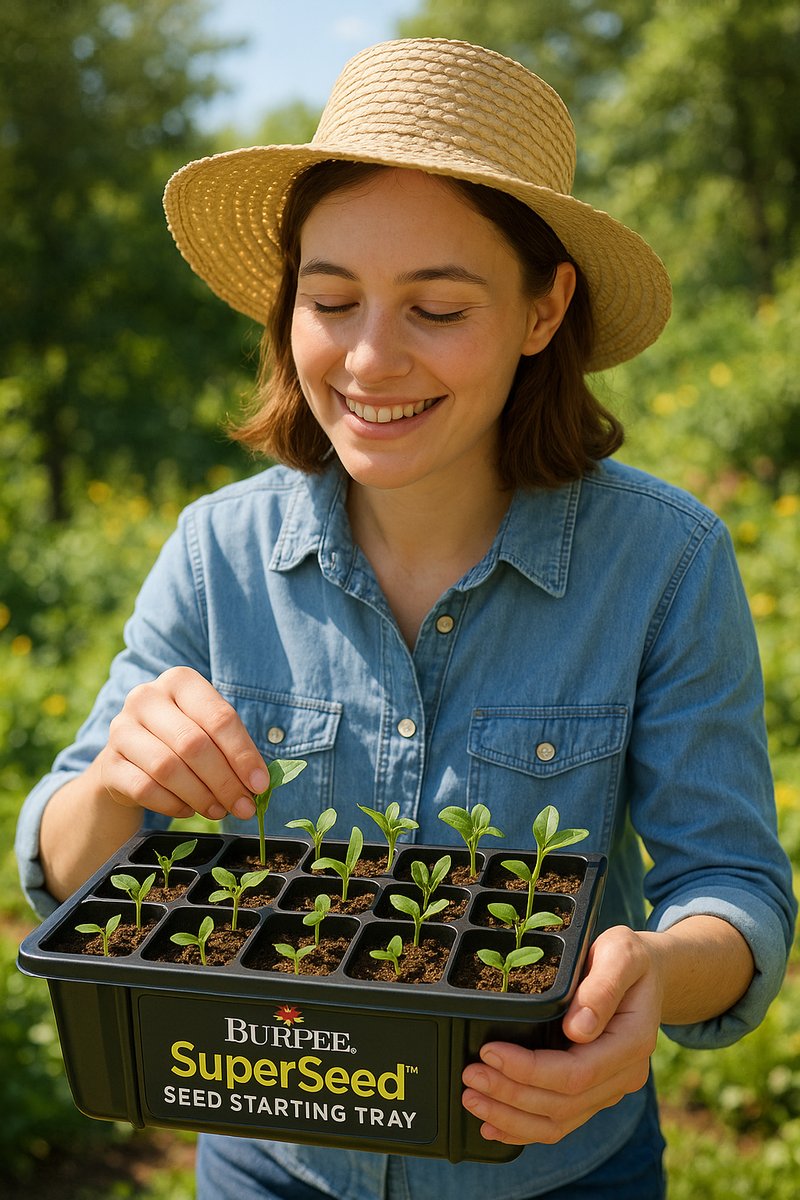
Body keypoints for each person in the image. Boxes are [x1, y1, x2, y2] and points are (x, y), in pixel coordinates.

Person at [16, 36, 796, 1200]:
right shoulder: (218, 552)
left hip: (552, 1171)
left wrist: (658, 971)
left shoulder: (662, 563)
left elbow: (730, 885)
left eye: (436, 305)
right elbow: (63, 865)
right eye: (330, 299)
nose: (369, 358)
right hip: (269, 1160)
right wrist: (118, 784)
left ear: (543, 310)